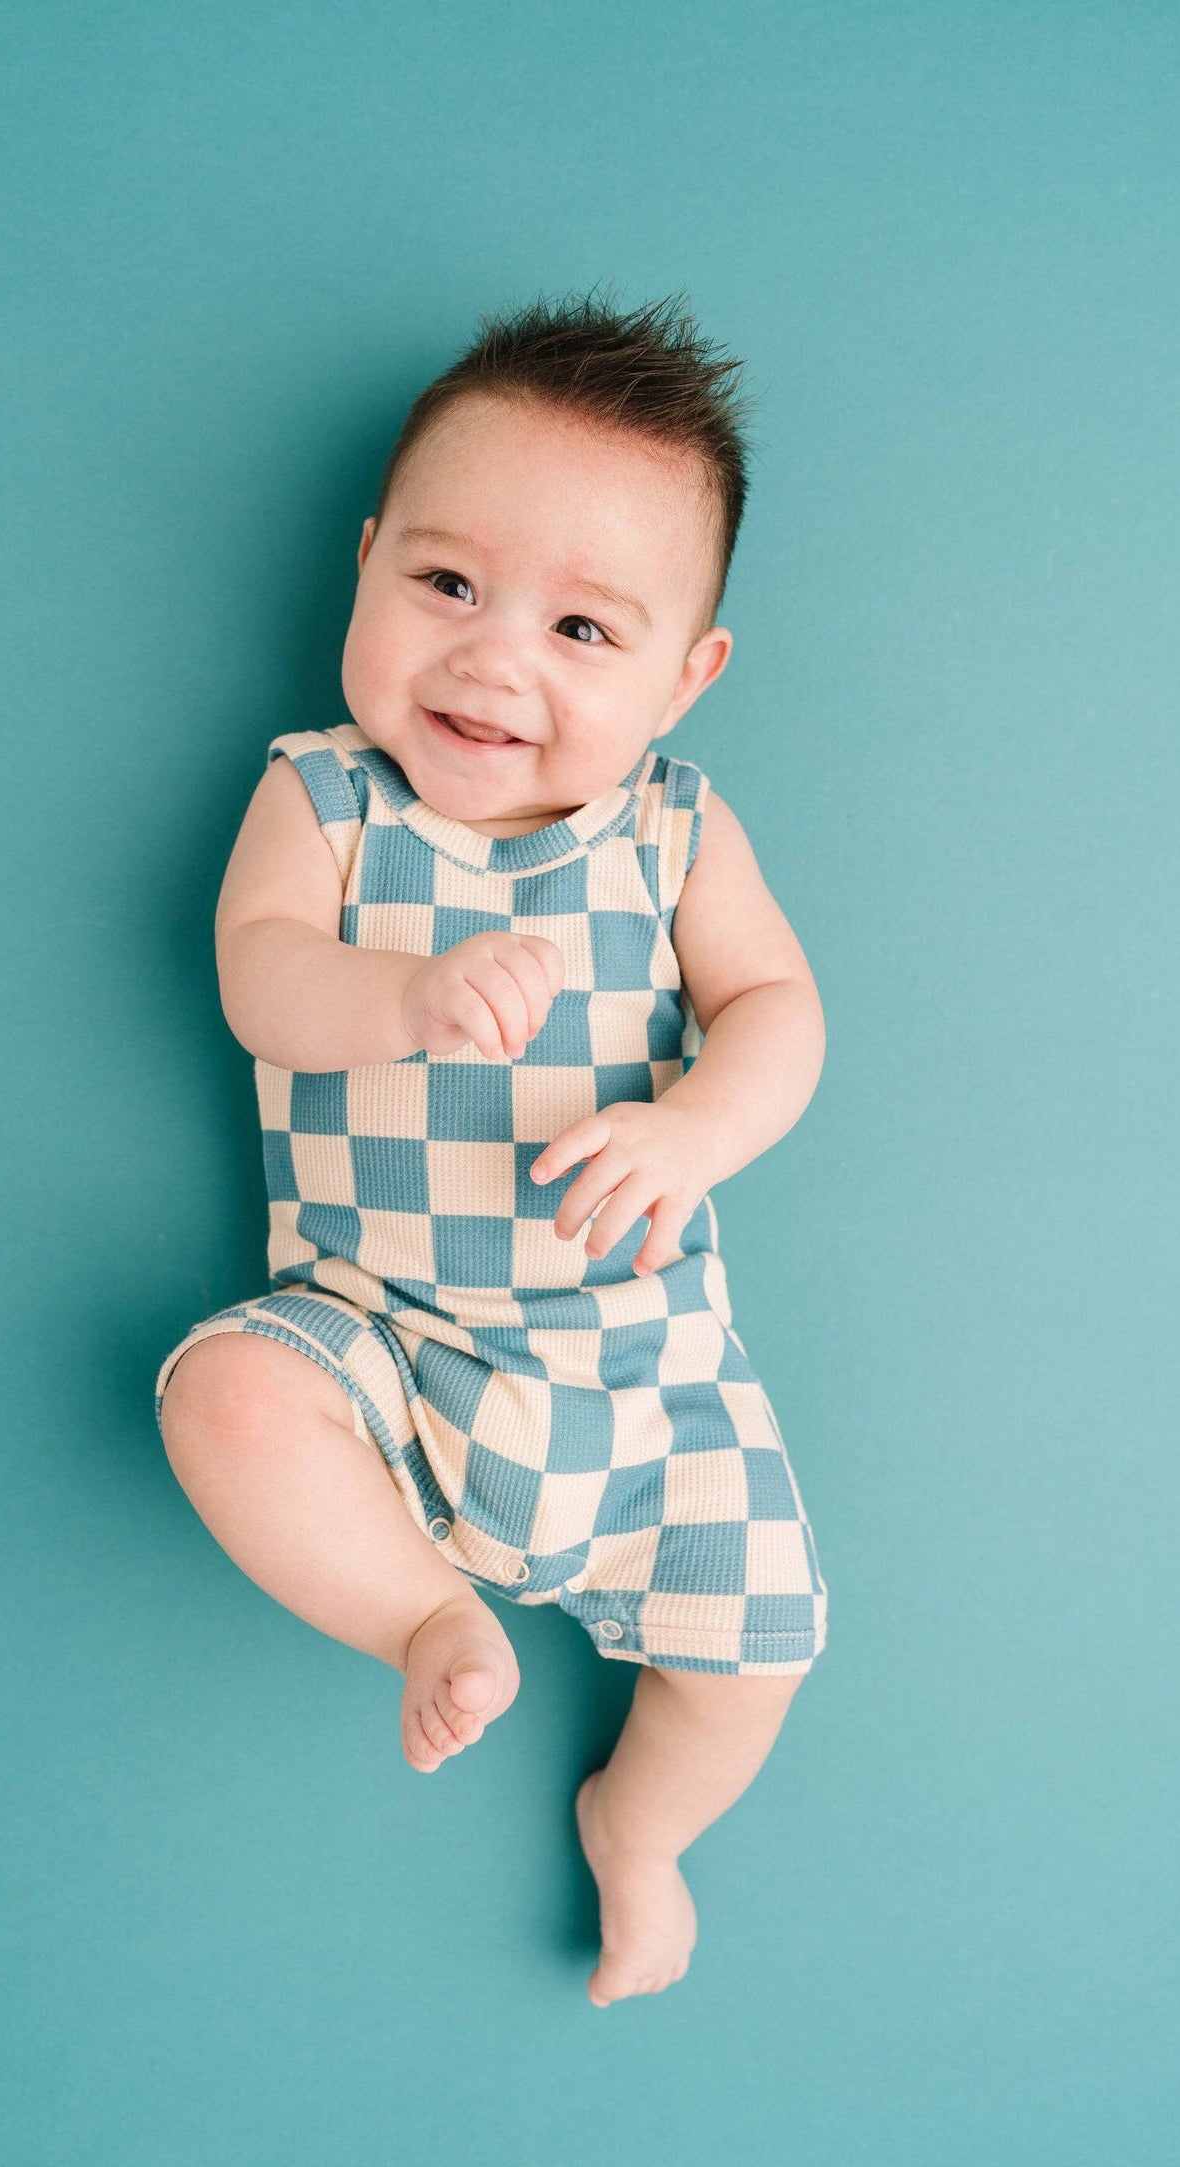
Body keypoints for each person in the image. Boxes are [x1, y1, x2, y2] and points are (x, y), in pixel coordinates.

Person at [154, 291, 830, 2008]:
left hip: (652, 1387)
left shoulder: (675, 828)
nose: (492, 658)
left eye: (584, 629)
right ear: (370, 562)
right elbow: (258, 977)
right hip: (386, 1340)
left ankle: (641, 1832)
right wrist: (400, 996)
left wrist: (693, 1131)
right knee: (220, 1397)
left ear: (691, 676)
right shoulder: (323, 798)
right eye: (445, 585)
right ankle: (418, 1617)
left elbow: (779, 1009)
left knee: (756, 1654)